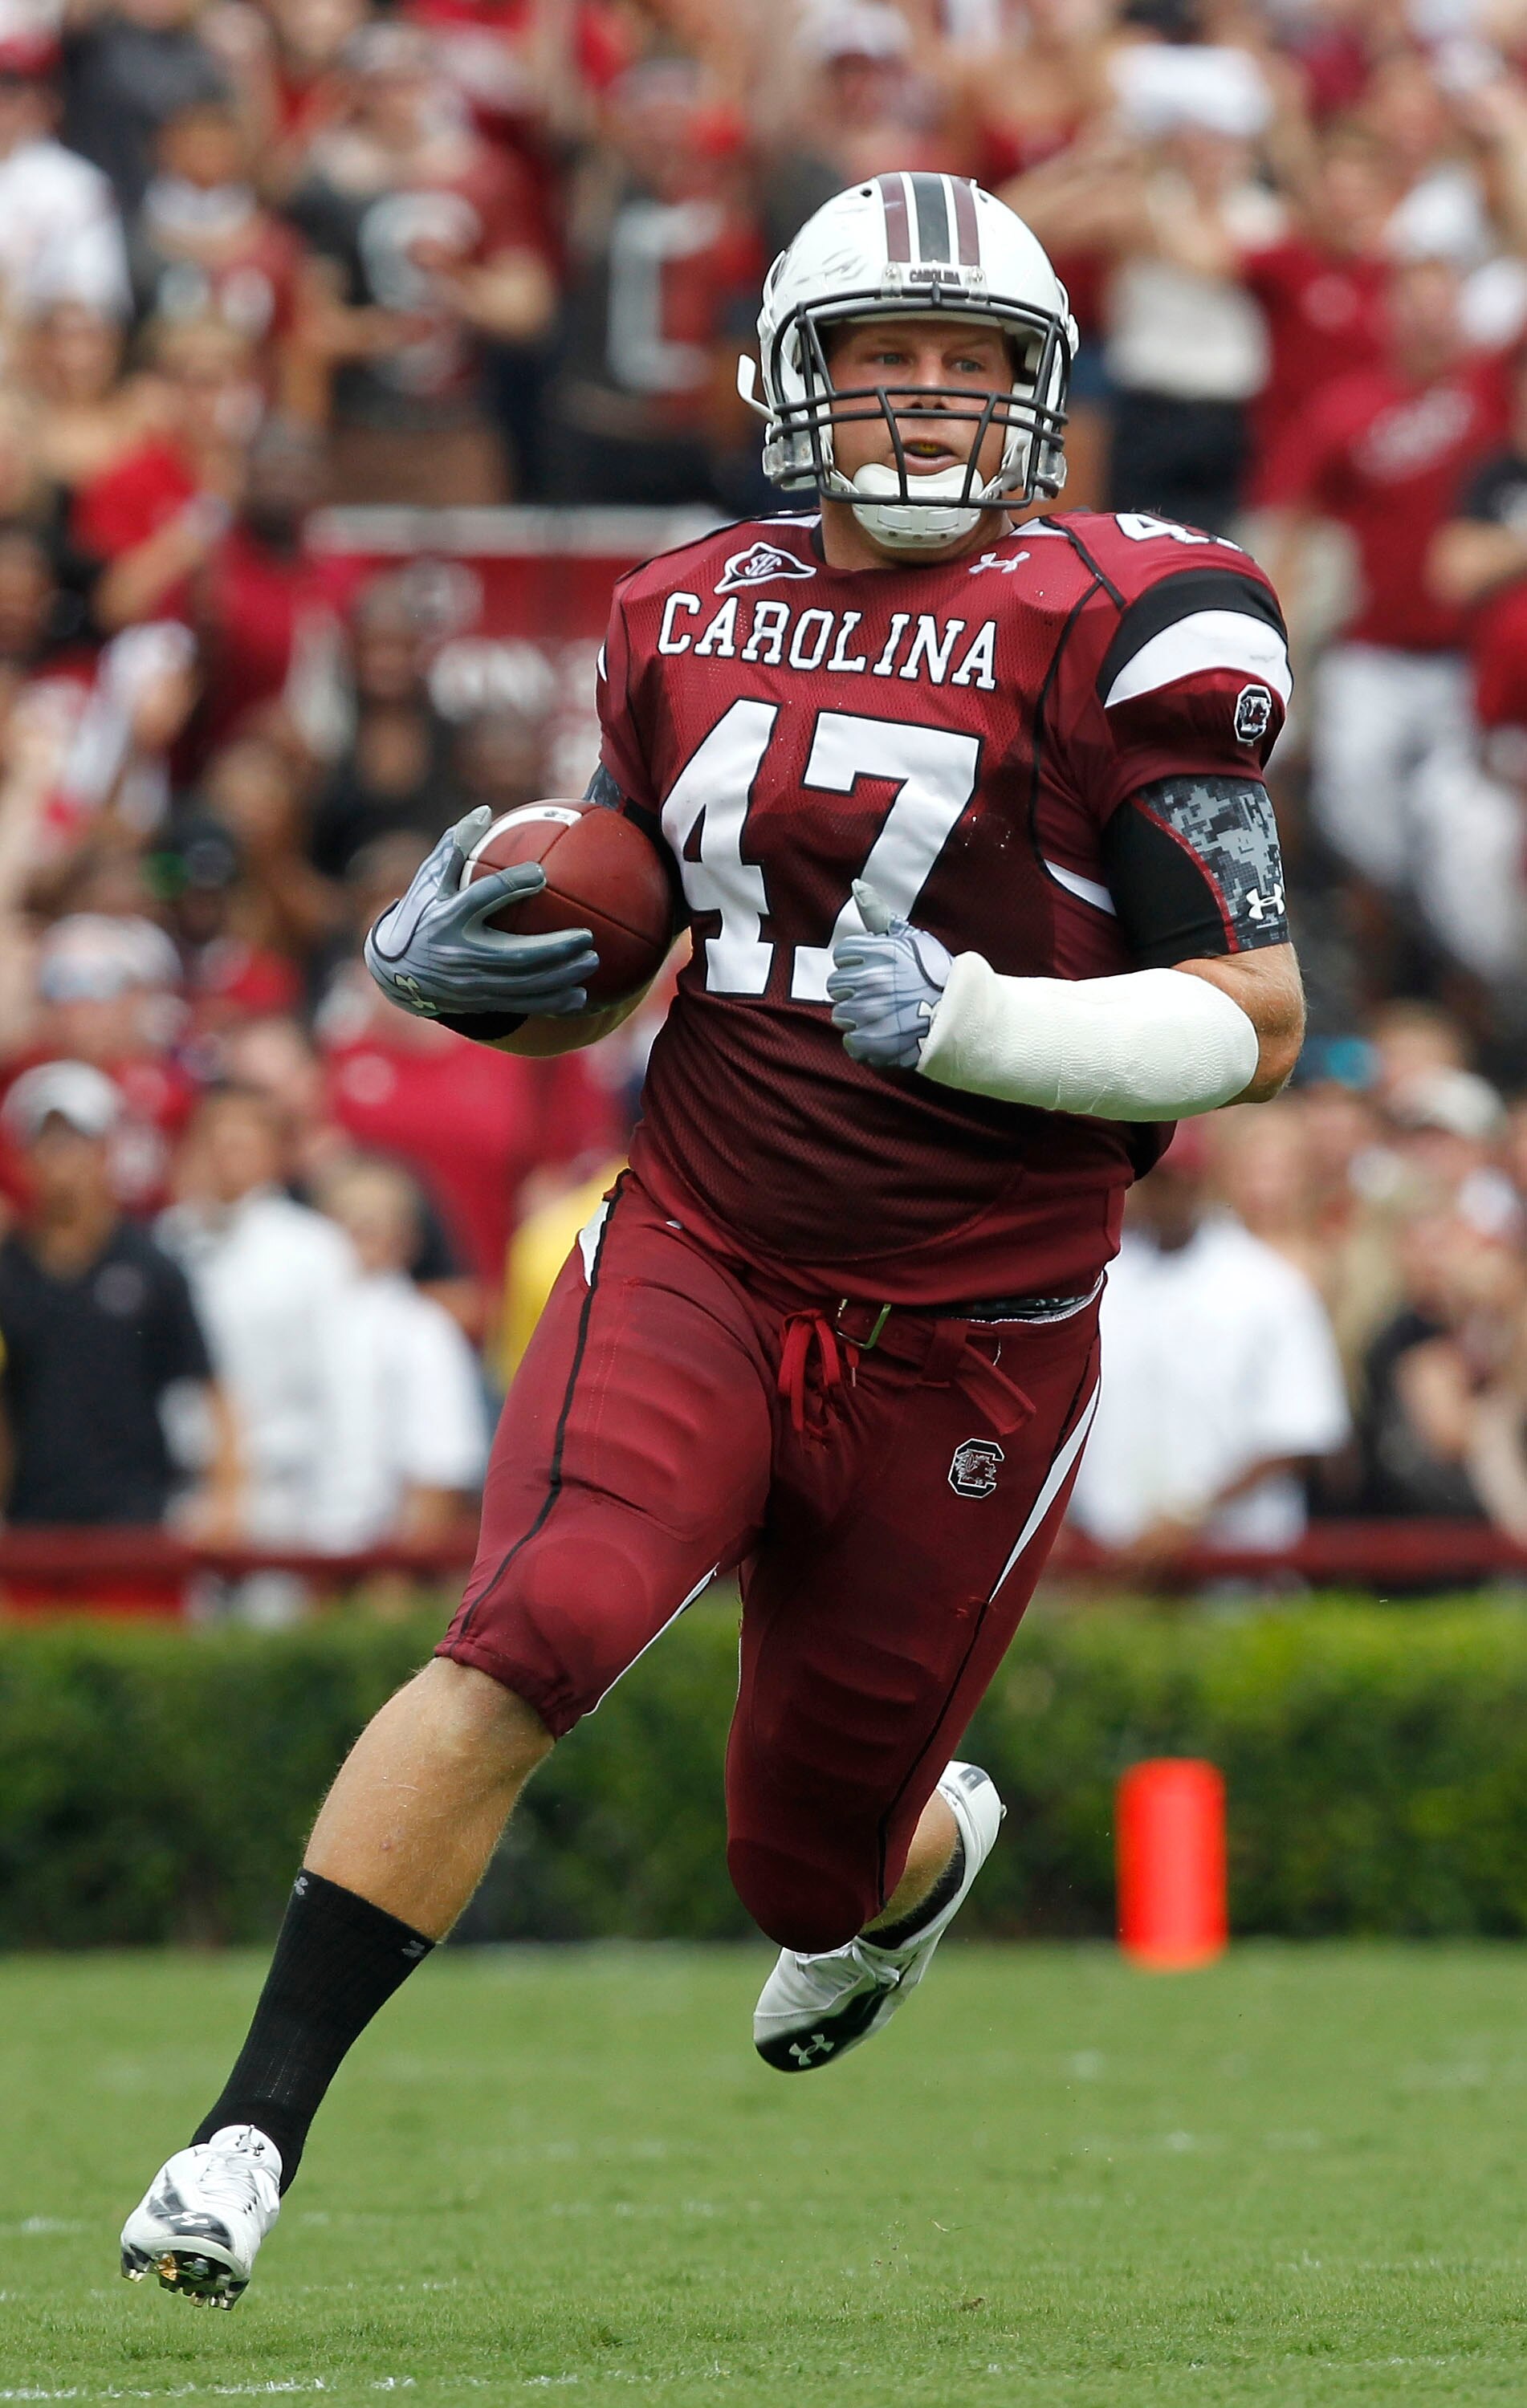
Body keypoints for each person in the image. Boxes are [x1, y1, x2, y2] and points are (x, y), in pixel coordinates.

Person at [121, 173, 1306, 2307]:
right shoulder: (682, 604)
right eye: (883, 359)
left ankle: (913, 1860)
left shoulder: (1134, 619)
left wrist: (983, 1023)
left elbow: (1248, 1022)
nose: (927, 406)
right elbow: (631, 948)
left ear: (1040, 394)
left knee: (803, 1864)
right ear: (794, 380)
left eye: (969, 366)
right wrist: (475, 961)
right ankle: (242, 2138)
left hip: (977, 1325)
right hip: (704, 1240)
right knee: (535, 1630)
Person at [1066, 1125, 1350, 1560]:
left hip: (1234, 1565)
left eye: (1181, 1181)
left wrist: (1189, 1515)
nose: (1168, 1195)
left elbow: (1299, 1430)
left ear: (1206, 1182)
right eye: (1156, 1182)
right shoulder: (1099, 1280)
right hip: (1105, 1558)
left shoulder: (1269, 1285)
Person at [0, 1058, 238, 1534]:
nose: (62, 1158)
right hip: (31, 1528)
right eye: (47, 1141)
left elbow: (210, 1390)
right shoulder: (7, 1271)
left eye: (76, 1140)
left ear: (107, 1150)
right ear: (24, 1157)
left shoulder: (153, 1267)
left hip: (137, 1523)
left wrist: (225, 1498)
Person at [308, 1155, 488, 1554]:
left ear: (407, 1239)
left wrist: (392, 1586)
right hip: (275, 1551)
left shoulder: (423, 1329)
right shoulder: (295, 1316)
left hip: (366, 1565)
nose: (355, 1237)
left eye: (372, 1225)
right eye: (342, 1222)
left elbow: (439, 1471)